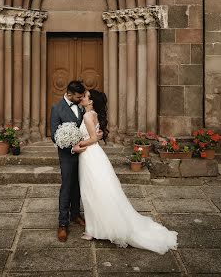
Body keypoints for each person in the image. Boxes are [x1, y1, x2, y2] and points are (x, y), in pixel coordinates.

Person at [74, 89, 178, 254]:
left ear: (91, 101)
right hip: (94, 154)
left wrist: (78, 145)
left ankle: (93, 230)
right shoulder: (92, 114)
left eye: (85, 96)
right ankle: (95, 227)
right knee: (96, 191)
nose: (82, 98)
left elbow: (93, 138)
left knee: (92, 192)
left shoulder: (87, 116)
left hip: (89, 156)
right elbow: (96, 135)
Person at [50, 80, 94, 242]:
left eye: (83, 96)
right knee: (67, 186)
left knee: (79, 185)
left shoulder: (82, 106)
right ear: (69, 94)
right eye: (78, 96)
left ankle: (75, 214)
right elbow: (55, 135)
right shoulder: (57, 108)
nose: (81, 98)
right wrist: (71, 147)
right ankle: (62, 224)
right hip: (67, 155)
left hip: (84, 153)